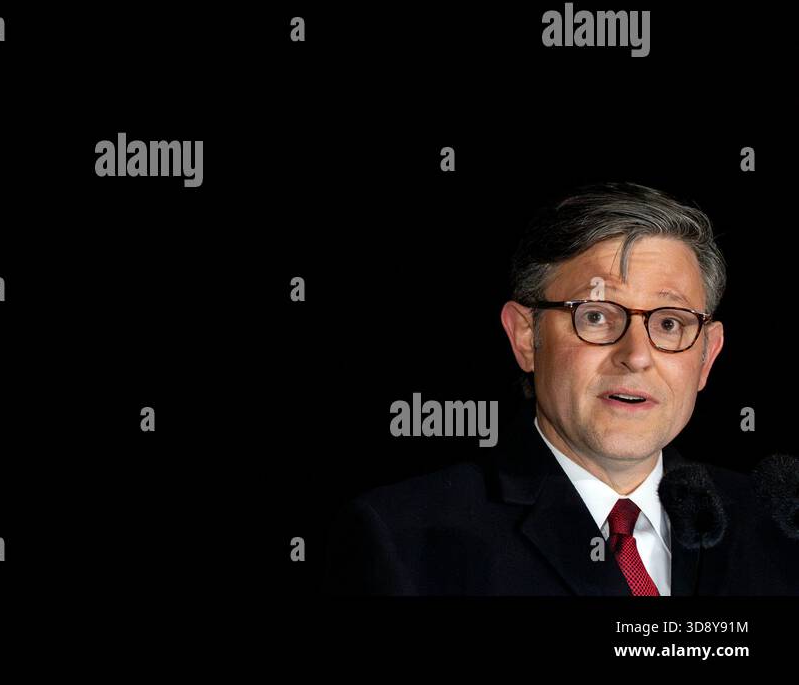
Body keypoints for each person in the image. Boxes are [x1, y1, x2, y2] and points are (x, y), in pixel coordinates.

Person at [324, 182, 799, 594]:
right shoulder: (402, 540)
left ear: (706, 356)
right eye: (595, 316)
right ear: (526, 337)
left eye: (670, 323)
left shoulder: (778, 531)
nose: (636, 355)